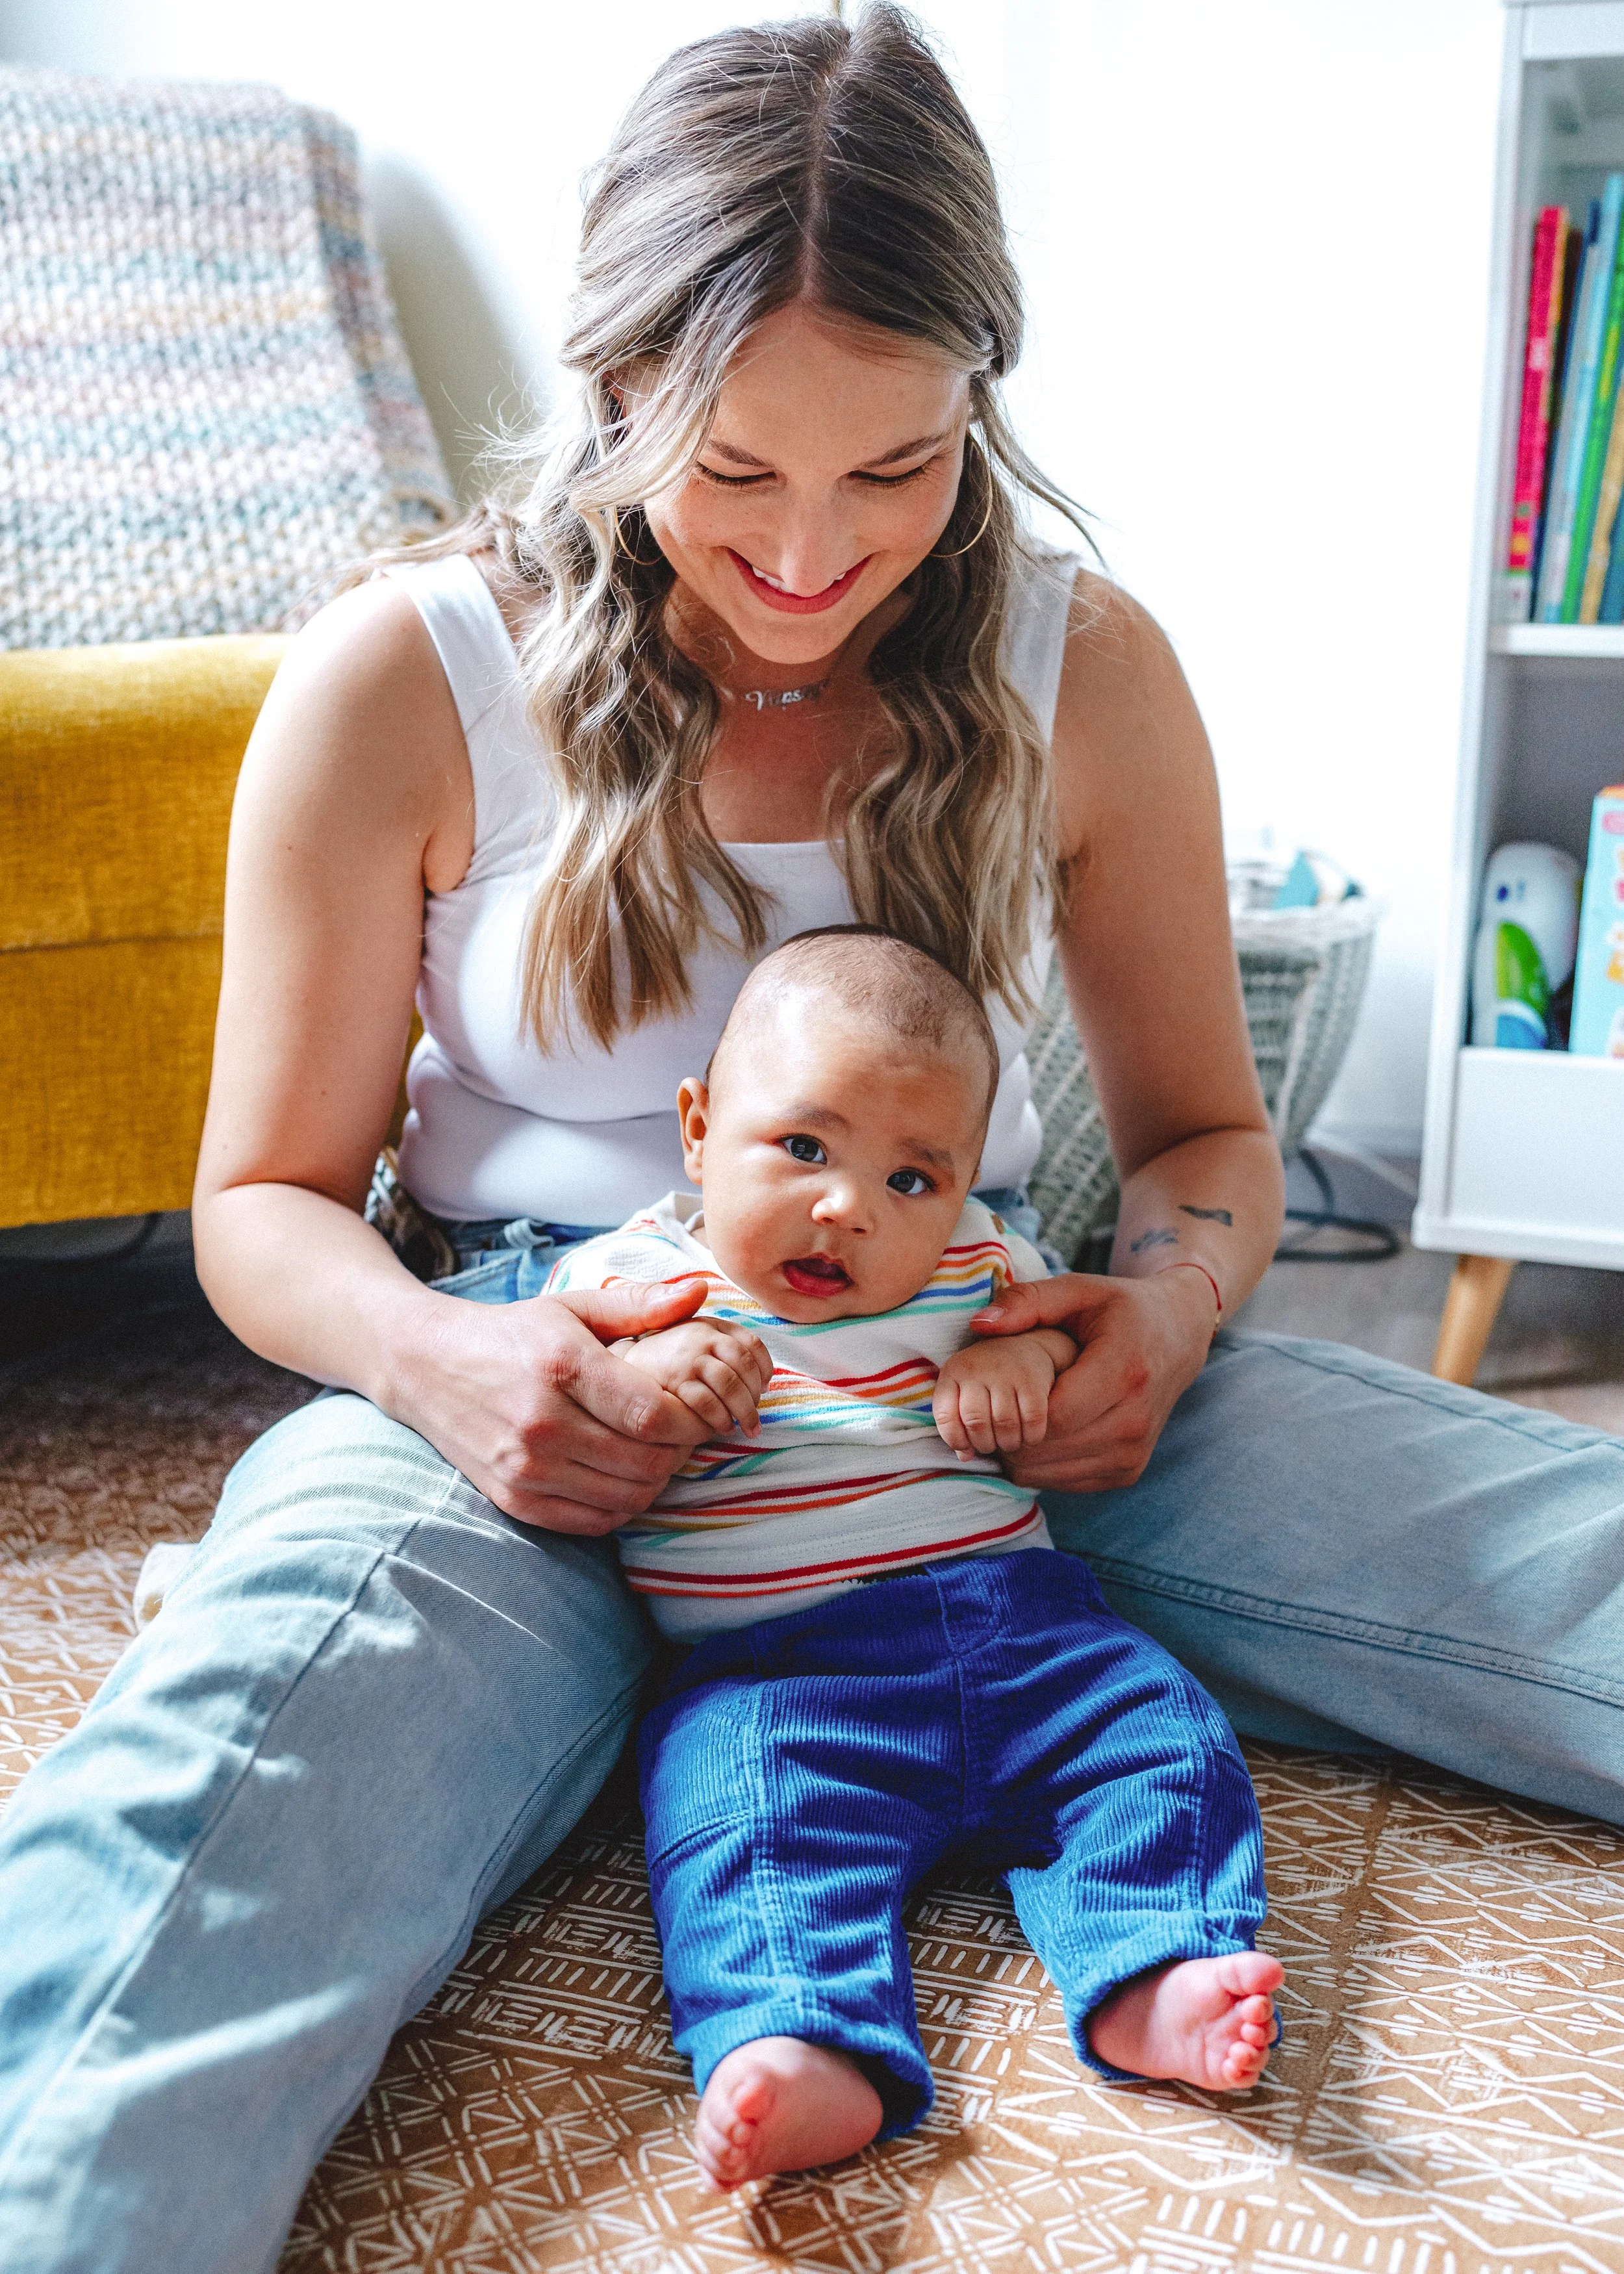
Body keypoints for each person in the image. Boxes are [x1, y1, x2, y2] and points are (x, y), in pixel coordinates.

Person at [0, 8, 1618, 2269]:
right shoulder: (405, 677)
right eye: (735, 466)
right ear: (616, 382)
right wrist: (450, 1374)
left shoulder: (1088, 672)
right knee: (214, 1830)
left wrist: (1167, 1305)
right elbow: (260, 1204)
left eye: (898, 467)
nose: (810, 552)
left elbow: (1205, 1139)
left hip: (989, 1386)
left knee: (1551, 1551)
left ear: (983, 399)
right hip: (529, 1374)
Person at [548, 926, 1283, 2190]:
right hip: (776, 1679)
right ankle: (803, 2042)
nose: (848, 1206)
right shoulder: (641, 1279)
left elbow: (1057, 1337)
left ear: (956, 1192)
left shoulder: (977, 1264)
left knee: (1165, 1737)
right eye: (801, 1147)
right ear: (697, 1127)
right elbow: (567, 1378)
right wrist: (649, 1384)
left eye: (910, 1180)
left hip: (1030, 1634)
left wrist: (1019, 1362)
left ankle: (1151, 1968)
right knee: (740, 1822)